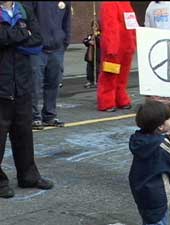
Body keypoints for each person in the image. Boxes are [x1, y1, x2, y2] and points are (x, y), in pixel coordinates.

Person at [0, 1, 54, 198]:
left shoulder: (24, 10)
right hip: (2, 87)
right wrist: (23, 35)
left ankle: (28, 176)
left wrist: (10, 40)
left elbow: (38, 41)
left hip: (22, 84)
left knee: (23, 134)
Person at [129, 100, 170, 225]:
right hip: (157, 194)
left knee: (149, 219)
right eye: (169, 118)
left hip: (141, 191)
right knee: (158, 220)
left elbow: (155, 144)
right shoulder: (161, 144)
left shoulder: (138, 139)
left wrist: (166, 139)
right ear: (161, 126)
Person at [23, 1, 72, 130]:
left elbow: (67, 20)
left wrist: (66, 40)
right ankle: (34, 117)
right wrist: (32, 41)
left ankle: (49, 115)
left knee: (53, 83)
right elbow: (26, 18)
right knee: (34, 84)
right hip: (37, 48)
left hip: (57, 48)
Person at [97, 1, 138, 112]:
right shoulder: (109, 4)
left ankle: (120, 98)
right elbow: (110, 26)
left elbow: (132, 25)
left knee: (123, 76)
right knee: (109, 76)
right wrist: (111, 46)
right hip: (115, 48)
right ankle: (107, 101)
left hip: (126, 46)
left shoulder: (126, 4)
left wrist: (133, 43)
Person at [83, 20, 101, 89]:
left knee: (97, 69)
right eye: (93, 26)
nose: (94, 27)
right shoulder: (90, 35)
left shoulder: (100, 34)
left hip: (97, 55)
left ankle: (97, 81)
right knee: (89, 69)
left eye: (95, 26)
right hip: (90, 55)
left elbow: (101, 43)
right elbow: (85, 41)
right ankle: (90, 80)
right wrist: (89, 42)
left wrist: (96, 38)